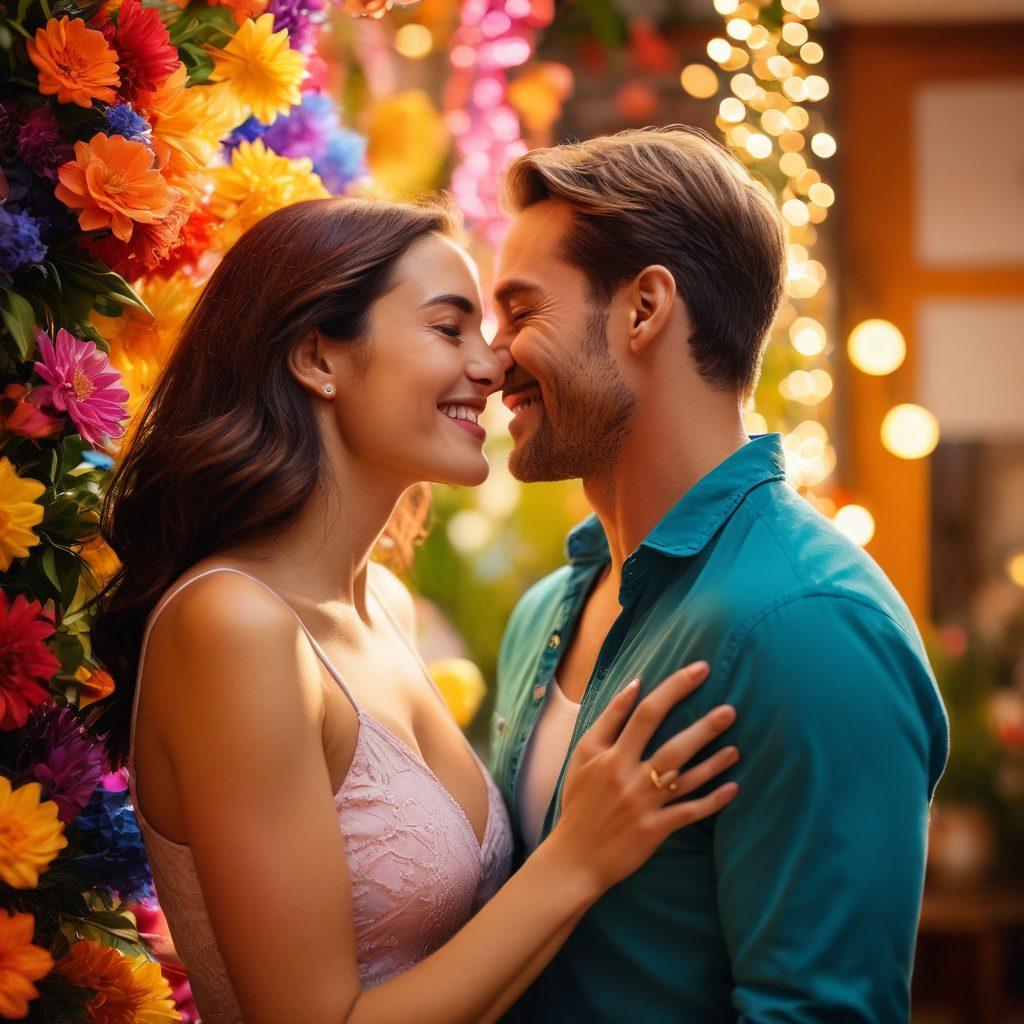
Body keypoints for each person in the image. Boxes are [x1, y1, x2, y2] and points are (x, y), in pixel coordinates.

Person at [86, 195, 742, 1024]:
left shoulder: (386, 606)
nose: (493, 364)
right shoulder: (234, 626)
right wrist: (576, 858)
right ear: (318, 357)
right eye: (449, 328)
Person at [488, 127, 951, 1023]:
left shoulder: (809, 625)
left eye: (521, 312)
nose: (491, 357)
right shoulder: (543, 611)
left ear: (644, 308)